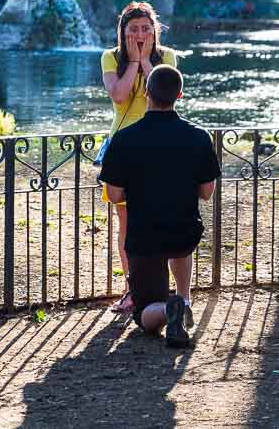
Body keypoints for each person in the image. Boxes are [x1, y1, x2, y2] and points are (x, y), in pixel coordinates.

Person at [98, 65, 220, 347]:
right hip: (184, 231)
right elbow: (206, 192)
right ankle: (183, 299)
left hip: (144, 236)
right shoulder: (198, 137)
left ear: (146, 92)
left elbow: (114, 195)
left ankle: (169, 309)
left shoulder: (125, 139)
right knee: (180, 247)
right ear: (180, 95)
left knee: (143, 317)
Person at [100, 1, 178, 314]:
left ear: (155, 30)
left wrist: (147, 62)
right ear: (123, 31)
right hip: (124, 149)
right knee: (127, 223)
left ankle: (160, 286)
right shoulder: (111, 57)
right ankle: (132, 288)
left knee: (160, 218)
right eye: (133, 29)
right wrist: (133, 61)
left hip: (159, 144)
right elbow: (119, 95)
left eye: (146, 28)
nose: (141, 33)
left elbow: (161, 95)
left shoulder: (167, 57)